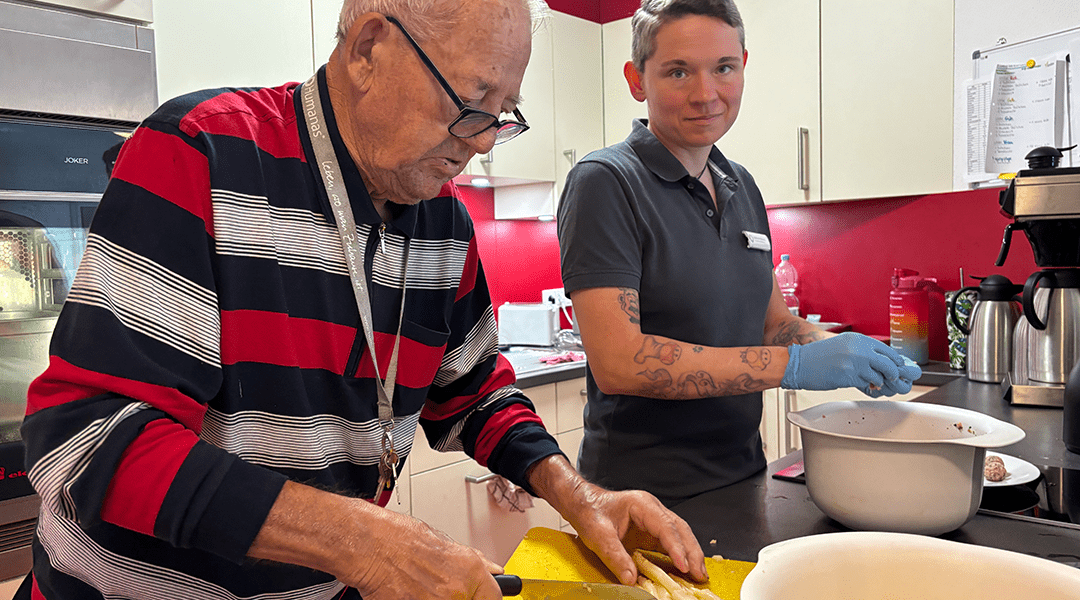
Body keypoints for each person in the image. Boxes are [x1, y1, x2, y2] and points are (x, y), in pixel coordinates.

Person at [16, 1, 708, 599]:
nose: (482, 145)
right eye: (470, 106)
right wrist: (359, 539)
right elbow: (88, 440)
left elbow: (472, 392)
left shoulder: (443, 221)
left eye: (503, 116)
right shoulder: (203, 153)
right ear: (370, 49)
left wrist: (576, 493)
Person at [556, 0, 922, 506]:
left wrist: (843, 349)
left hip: (746, 477)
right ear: (637, 80)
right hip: (642, 499)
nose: (706, 94)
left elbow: (772, 323)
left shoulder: (740, 184)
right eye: (678, 71)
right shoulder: (606, 181)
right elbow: (620, 362)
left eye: (723, 68)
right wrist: (792, 367)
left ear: (743, 67)